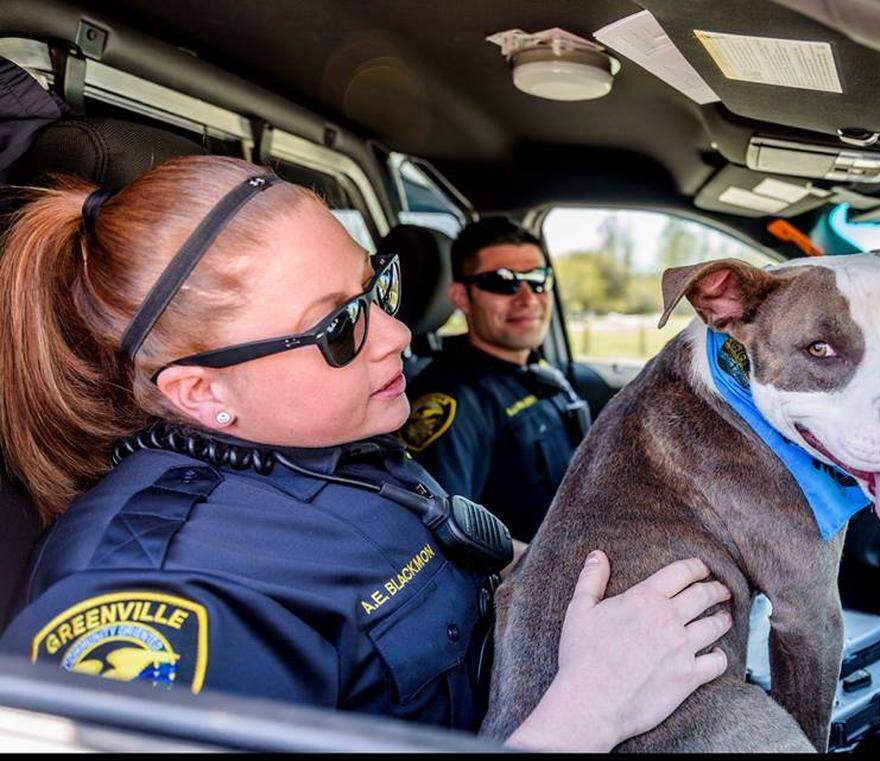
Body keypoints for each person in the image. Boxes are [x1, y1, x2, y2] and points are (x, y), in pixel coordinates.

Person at [0, 156, 732, 750]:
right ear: (198, 392)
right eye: (339, 328)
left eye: (377, 285)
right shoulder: (152, 596)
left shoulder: (334, 444)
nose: (397, 336)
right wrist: (585, 715)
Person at [400, 218, 587, 542]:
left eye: (539, 279)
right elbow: (448, 536)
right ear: (461, 297)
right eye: (503, 281)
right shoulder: (452, 399)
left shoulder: (537, 370)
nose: (528, 298)